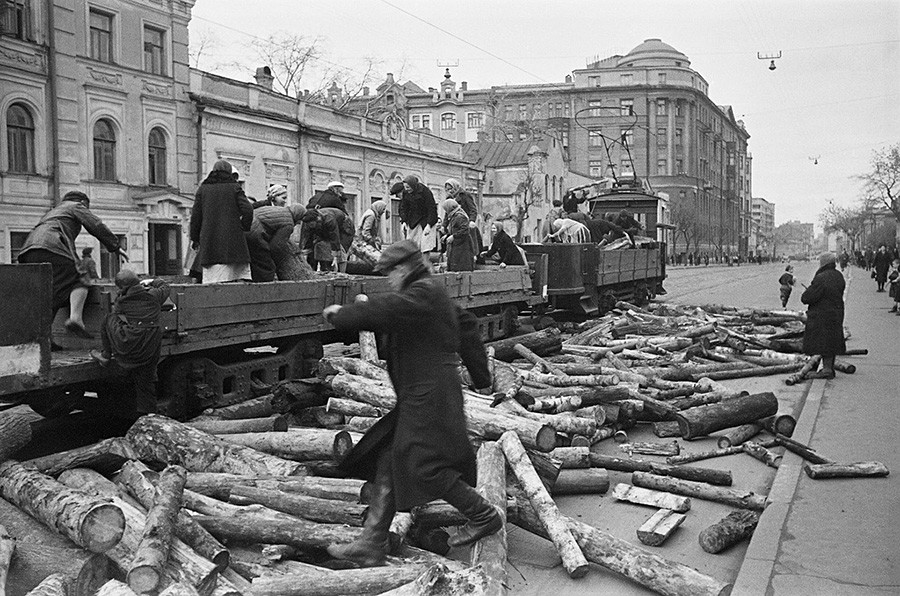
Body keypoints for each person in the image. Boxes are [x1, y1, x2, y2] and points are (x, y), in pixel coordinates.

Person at [322, 240, 498, 567]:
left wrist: (346, 314)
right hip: (426, 392)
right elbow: (468, 324)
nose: (389, 279)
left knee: (423, 464)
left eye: (390, 273)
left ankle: (483, 514)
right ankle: (372, 542)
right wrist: (481, 377)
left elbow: (389, 309)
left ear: (404, 268)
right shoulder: (430, 293)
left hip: (429, 394)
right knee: (389, 456)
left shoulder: (424, 292)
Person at [18, 190, 128, 339]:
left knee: (50, 293)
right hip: (51, 246)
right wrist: (115, 246)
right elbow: (96, 224)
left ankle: (44, 340)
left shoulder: (54, 212)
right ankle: (76, 318)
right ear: (83, 203)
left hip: (28, 251)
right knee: (80, 276)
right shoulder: (76, 206)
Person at [90, 270, 171, 418]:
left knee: (108, 318)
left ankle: (106, 355)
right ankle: (149, 417)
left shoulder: (121, 301)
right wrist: (151, 282)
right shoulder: (154, 295)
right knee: (146, 382)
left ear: (121, 288)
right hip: (151, 344)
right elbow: (165, 286)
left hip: (131, 343)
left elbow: (119, 315)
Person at [190, 160, 254, 284]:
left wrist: (195, 238)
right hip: (234, 243)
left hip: (210, 244)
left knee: (213, 285)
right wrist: (243, 227)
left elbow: (196, 217)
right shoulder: (234, 187)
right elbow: (248, 209)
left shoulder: (203, 189)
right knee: (238, 282)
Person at [800, 252, 846, 379]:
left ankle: (826, 371)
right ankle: (828, 367)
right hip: (836, 312)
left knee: (822, 342)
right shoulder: (839, 276)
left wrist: (808, 290)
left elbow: (807, 298)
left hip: (822, 315)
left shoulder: (821, 277)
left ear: (823, 262)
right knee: (832, 341)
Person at [246, 204, 306, 282]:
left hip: (246, 227)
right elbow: (276, 246)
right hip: (255, 232)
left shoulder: (280, 210)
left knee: (255, 262)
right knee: (267, 266)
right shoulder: (288, 223)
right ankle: (265, 289)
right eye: (300, 219)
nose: (299, 223)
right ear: (298, 215)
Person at [301, 206, 352, 272]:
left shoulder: (329, 219)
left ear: (317, 219)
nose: (310, 226)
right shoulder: (308, 223)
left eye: (311, 224)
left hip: (345, 227)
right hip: (327, 228)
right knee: (321, 245)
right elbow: (308, 237)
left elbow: (334, 237)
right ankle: (325, 269)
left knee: (341, 249)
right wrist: (305, 250)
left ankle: (341, 273)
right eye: (309, 225)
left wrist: (335, 256)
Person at [398, 175, 438, 254]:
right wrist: (404, 221)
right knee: (412, 246)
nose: (406, 189)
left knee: (425, 246)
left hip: (426, 221)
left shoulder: (425, 191)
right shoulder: (406, 193)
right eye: (405, 187)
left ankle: (425, 264)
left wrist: (429, 225)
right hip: (413, 221)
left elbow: (431, 208)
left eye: (408, 187)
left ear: (413, 185)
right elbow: (404, 207)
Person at [445, 178, 482, 254]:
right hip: (454, 224)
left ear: (456, 187)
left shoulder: (465, 195)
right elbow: (447, 213)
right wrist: (444, 225)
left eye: (451, 188)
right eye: (447, 189)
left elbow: (473, 209)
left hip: (465, 222)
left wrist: (472, 221)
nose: (450, 191)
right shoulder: (449, 198)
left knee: (469, 244)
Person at [441, 198, 476, 272]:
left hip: (463, 246)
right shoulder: (454, 216)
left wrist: (454, 236)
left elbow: (464, 230)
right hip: (457, 245)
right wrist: (447, 235)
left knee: (461, 267)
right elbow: (455, 229)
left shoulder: (459, 216)